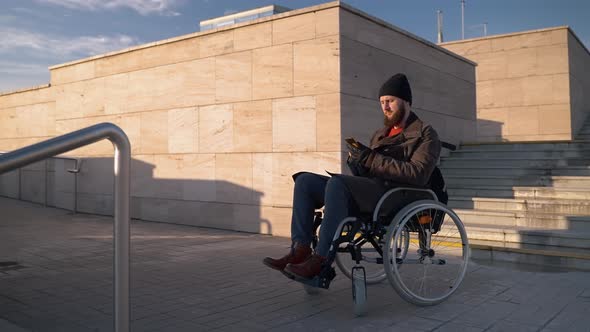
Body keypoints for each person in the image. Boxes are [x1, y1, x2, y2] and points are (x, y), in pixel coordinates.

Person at [262, 73, 442, 281]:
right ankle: (300, 249)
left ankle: (320, 261)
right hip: (373, 187)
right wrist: (358, 161)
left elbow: (418, 174)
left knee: (338, 184)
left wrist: (371, 159)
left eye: (391, 101)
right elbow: (371, 168)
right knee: (305, 181)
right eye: (382, 102)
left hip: (394, 195)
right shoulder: (380, 134)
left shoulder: (425, 134)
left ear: (406, 102)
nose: (386, 106)